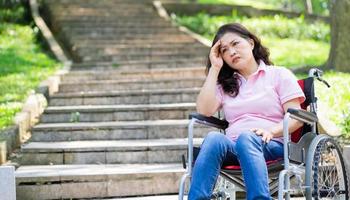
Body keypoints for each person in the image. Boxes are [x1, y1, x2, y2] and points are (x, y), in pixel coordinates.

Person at [188, 23, 306, 200]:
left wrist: (271, 131)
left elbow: (297, 117)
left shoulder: (278, 75)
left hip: (270, 144)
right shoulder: (227, 85)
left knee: (247, 137)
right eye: (225, 50)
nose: (232, 52)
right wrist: (215, 68)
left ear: (251, 43)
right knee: (214, 138)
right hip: (232, 147)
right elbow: (204, 110)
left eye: (236, 44)